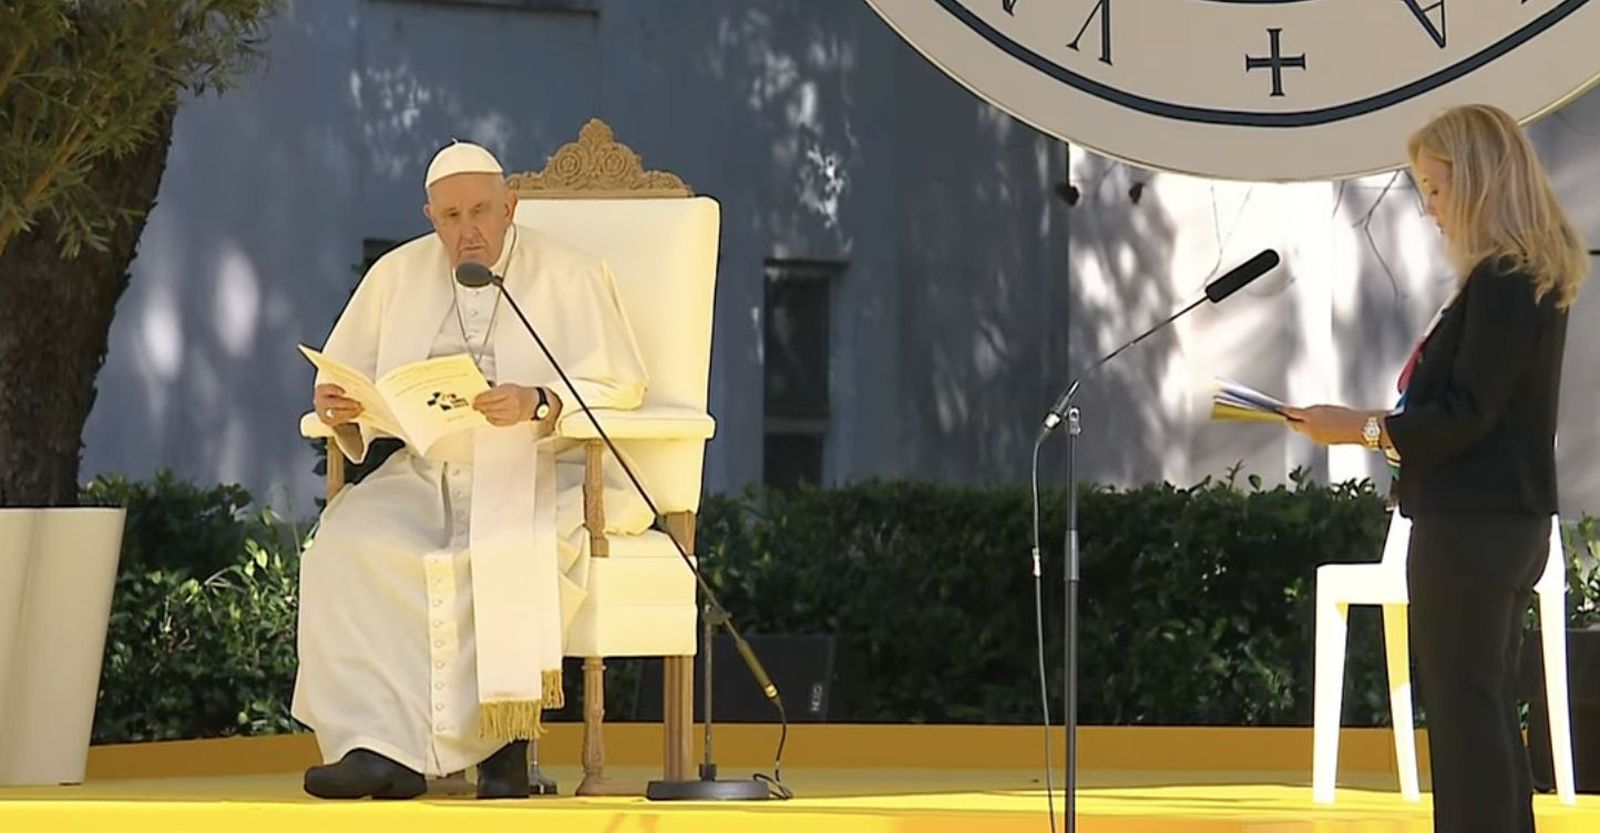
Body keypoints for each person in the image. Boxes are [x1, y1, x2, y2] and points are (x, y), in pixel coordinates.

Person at [293, 141, 650, 799]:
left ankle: (503, 752)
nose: (469, 231)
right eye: (451, 217)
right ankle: (378, 749)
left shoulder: (568, 275)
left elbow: (620, 383)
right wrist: (343, 405)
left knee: (498, 551)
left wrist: (539, 399)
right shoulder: (396, 276)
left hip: (539, 467)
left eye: (481, 212)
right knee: (344, 547)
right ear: (431, 216)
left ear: (510, 206)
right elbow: (351, 382)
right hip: (428, 469)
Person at [1286, 103, 1587, 832]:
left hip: (1474, 527)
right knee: (1479, 712)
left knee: (1466, 717)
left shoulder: (1507, 278)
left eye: (1436, 188)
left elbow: (1465, 414)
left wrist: (1359, 429)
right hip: (1499, 524)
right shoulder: (1521, 276)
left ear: (1480, 180)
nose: (1429, 210)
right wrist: (1370, 424)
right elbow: (1468, 408)